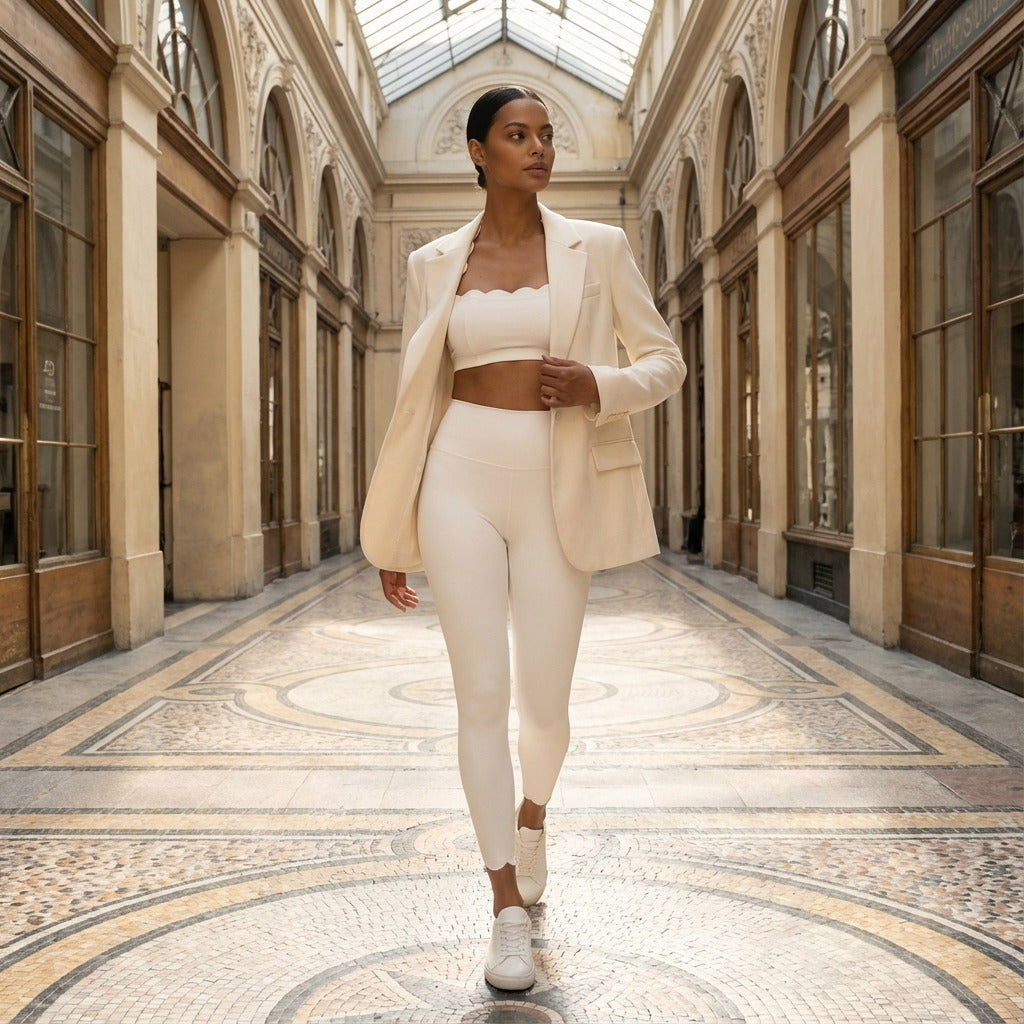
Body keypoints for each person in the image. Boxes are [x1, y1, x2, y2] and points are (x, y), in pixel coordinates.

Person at [360, 85, 685, 991]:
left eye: (546, 135)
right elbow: (416, 401)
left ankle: (533, 816)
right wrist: (396, 527)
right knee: (479, 696)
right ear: (478, 152)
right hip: (456, 477)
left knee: (544, 707)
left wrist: (597, 385)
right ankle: (505, 905)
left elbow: (665, 361)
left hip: (558, 482)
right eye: (517, 135)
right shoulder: (433, 262)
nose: (538, 148)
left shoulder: (598, 248)